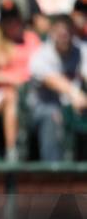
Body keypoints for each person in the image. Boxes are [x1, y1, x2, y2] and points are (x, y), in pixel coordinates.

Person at [0, 0, 41, 160]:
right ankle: (13, 151)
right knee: (11, 97)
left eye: (15, 19)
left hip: (31, 92)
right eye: (7, 20)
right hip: (2, 94)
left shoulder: (31, 39)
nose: (12, 24)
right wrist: (12, 79)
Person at [29, 14, 87, 161]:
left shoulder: (81, 50)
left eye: (66, 32)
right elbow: (53, 81)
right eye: (59, 32)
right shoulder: (41, 55)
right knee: (53, 115)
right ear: (51, 33)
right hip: (43, 107)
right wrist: (75, 94)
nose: (63, 36)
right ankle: (54, 174)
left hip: (76, 107)